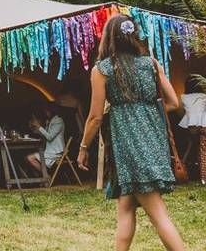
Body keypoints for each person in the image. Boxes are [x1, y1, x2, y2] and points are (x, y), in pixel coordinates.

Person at [78, 14, 185, 251]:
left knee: (158, 215)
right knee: (125, 207)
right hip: (153, 141)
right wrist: (146, 112)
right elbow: (173, 103)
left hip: (129, 146)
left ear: (108, 38)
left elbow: (95, 117)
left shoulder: (102, 70)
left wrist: (83, 147)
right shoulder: (151, 63)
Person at [179, 77, 206, 185]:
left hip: (191, 127)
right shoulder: (204, 96)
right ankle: (204, 179)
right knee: (204, 151)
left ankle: (182, 172)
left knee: (190, 147)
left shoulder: (184, 97)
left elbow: (187, 112)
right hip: (205, 125)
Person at [27, 104, 65, 172]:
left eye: (47, 111)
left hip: (56, 152)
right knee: (28, 157)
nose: (45, 113)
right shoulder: (50, 121)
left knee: (30, 158)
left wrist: (39, 126)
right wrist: (35, 129)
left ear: (52, 111)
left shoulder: (58, 121)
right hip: (49, 151)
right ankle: (45, 177)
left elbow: (49, 137)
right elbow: (45, 135)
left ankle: (46, 178)